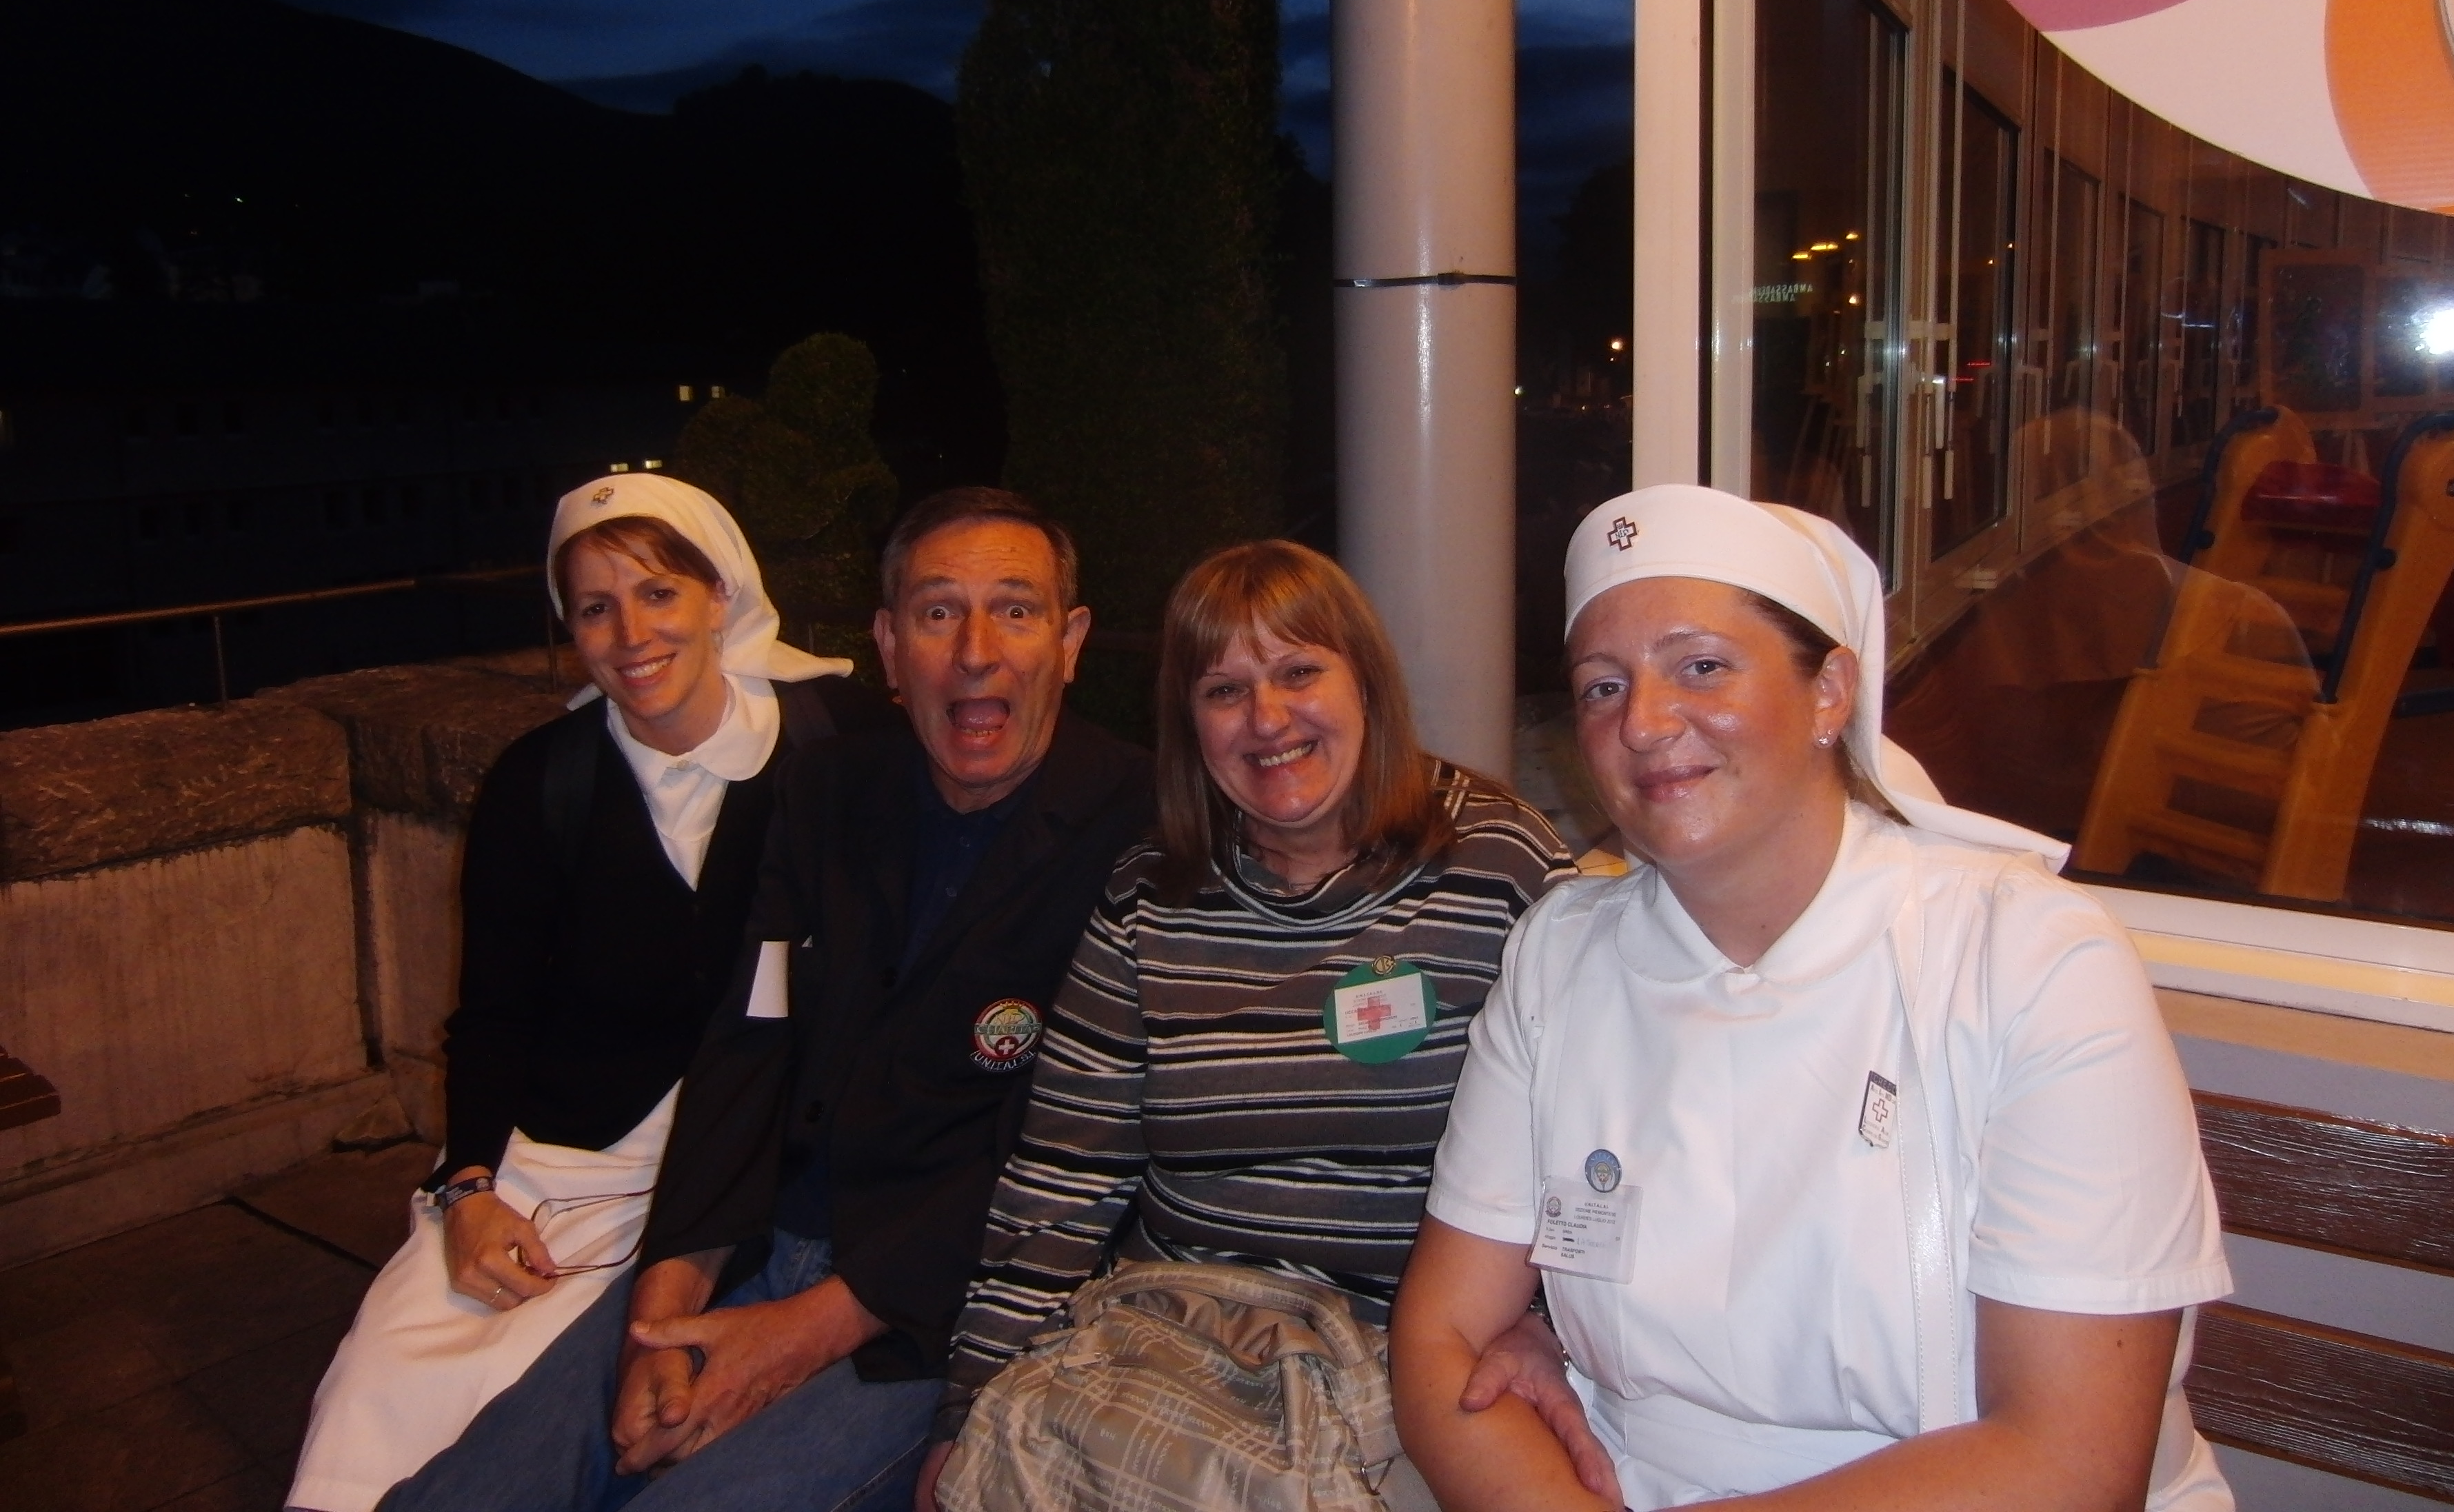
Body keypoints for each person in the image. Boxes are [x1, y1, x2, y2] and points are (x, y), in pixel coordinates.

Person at [1392, 483, 2233, 1511]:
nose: (1644, 723)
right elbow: (1443, 1340)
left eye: (1701, 666)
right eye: (1602, 687)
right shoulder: (1560, 958)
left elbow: (2067, 1463)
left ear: (1831, 692)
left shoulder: (2028, 959)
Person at [376, 485, 1154, 1512]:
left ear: (1070, 640)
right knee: (475, 1488)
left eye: (1015, 610)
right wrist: (662, 1305)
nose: (976, 652)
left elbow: (1075, 1155)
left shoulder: (1143, 834)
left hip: (942, 1308)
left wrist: (802, 1334)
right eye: (936, 612)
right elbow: (749, 1044)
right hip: (752, 1233)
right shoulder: (827, 792)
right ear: (888, 646)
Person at [921, 539, 1576, 1512]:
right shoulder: (1150, 896)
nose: (1267, 720)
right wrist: (969, 1403)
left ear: (1367, 682)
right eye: (1224, 691)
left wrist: (1549, 1326)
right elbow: (1064, 1174)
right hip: (1174, 1347)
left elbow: (1601, 1133)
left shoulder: (1500, 867)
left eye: (1300, 672)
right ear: (1190, 723)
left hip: (1408, 1362)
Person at [288, 473, 880, 1512]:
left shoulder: (837, 746)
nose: (631, 634)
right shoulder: (540, 782)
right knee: (386, 1394)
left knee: (557, 1414)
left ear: (721, 595)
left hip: (752, 1163)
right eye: (596, 607)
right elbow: (494, 1015)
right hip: (566, 1165)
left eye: (658, 593)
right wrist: (469, 1192)